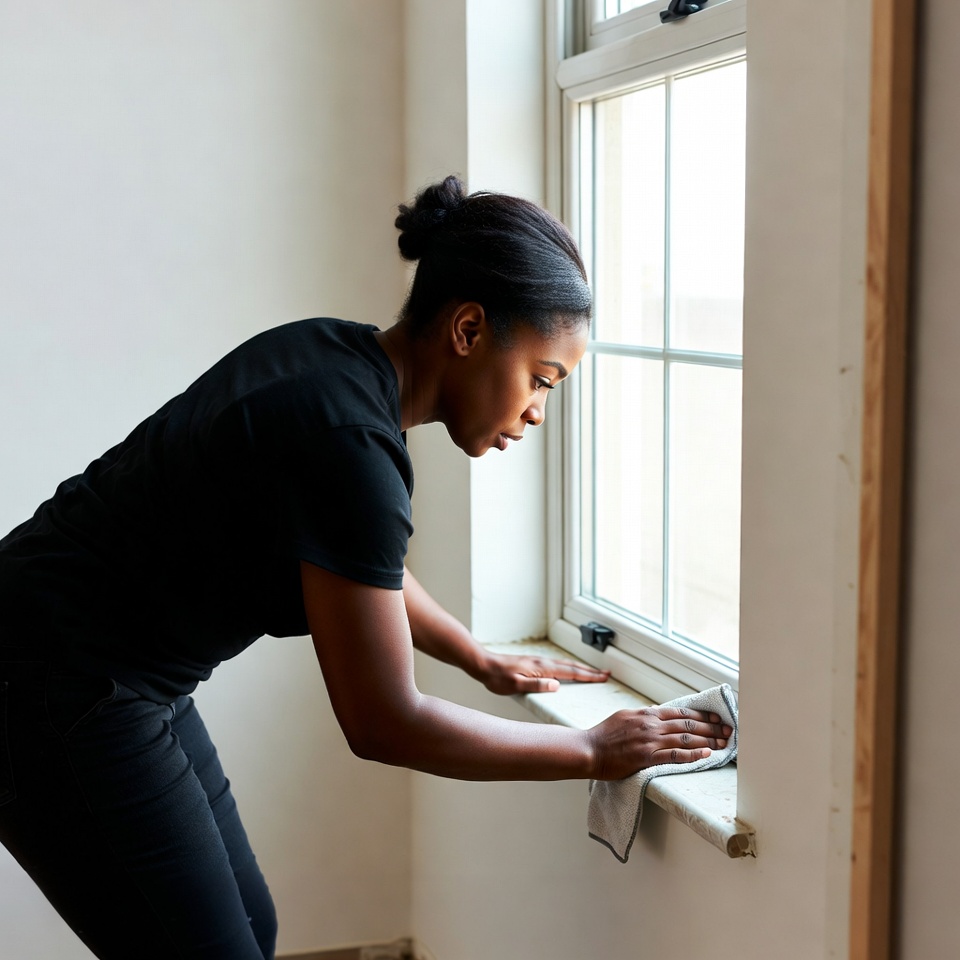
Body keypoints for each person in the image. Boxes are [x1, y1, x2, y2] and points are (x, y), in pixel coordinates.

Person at [0, 175, 731, 959]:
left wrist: (474, 656)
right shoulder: (350, 442)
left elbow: (359, 561)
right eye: (541, 379)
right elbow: (385, 723)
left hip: (110, 666)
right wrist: (594, 751)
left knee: (253, 930)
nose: (537, 412)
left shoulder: (335, 357)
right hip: (48, 679)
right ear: (469, 328)